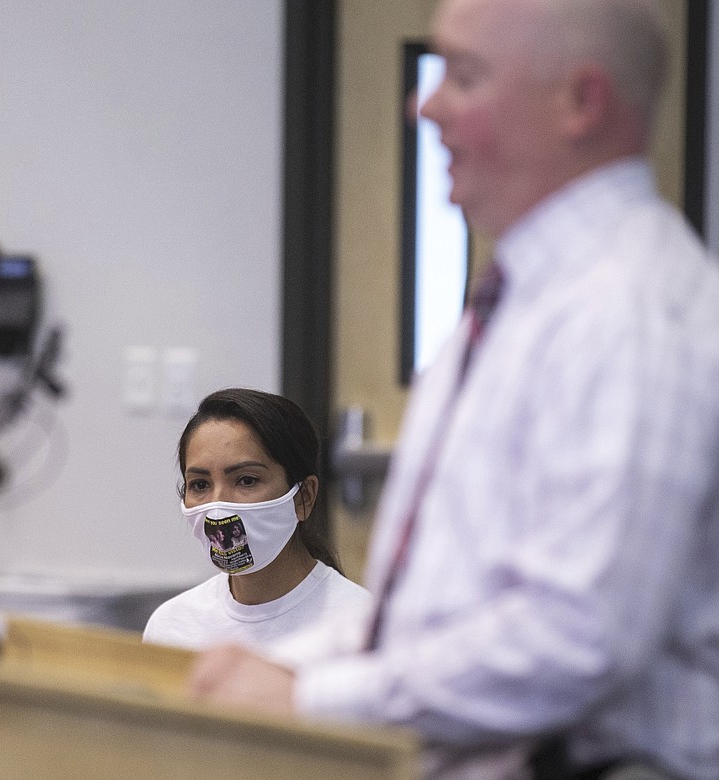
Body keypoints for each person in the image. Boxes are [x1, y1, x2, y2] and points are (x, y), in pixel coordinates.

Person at [187, 1, 719, 779]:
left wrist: (309, 698)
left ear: (582, 101)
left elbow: (576, 638)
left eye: (463, 76)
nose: (423, 103)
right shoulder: (516, 305)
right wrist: (271, 668)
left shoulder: (630, 316)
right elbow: (441, 616)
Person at [143, 388, 372, 661]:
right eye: (200, 484)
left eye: (246, 480)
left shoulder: (363, 628)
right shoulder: (172, 627)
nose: (218, 505)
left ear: (304, 497)